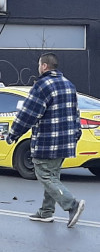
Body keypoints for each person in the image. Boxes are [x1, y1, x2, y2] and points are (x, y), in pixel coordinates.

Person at [6, 52, 85, 228]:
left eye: (39, 65)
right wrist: (76, 133)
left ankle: (72, 205)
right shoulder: (69, 85)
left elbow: (28, 114)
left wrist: (13, 134)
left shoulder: (42, 86)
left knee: (44, 176)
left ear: (44, 66)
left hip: (47, 141)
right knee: (53, 176)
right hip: (66, 141)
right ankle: (46, 212)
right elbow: (75, 112)